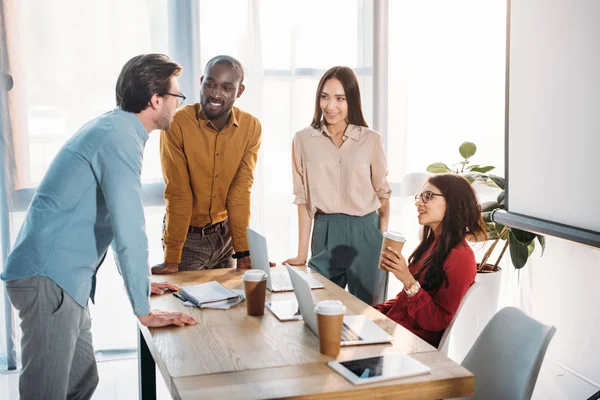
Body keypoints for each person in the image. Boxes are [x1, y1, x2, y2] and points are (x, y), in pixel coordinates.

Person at [1, 54, 197, 400]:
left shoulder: (117, 129)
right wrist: (143, 311)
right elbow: (129, 228)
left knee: (81, 381)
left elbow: (117, 224)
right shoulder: (120, 138)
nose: (178, 106)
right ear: (156, 100)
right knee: (46, 393)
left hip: (63, 280)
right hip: (50, 278)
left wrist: (141, 285)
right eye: (177, 98)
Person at [284, 66, 392, 306]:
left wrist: (381, 237)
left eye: (340, 98)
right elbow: (302, 199)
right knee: (316, 309)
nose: (330, 106)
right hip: (324, 232)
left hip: (366, 232)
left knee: (369, 316)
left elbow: (383, 194)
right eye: (324, 97)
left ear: (351, 100)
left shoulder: (371, 139)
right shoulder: (303, 139)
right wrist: (302, 253)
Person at [151, 55, 262, 275]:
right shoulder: (177, 124)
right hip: (188, 240)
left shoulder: (251, 127)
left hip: (226, 236)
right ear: (201, 81)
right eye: (209, 84)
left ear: (239, 92)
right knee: (189, 307)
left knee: (229, 304)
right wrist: (172, 257)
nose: (215, 94)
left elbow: (240, 192)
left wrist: (243, 252)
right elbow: (178, 192)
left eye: (227, 88)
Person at [375, 173, 487, 347]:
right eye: (420, 196)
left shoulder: (461, 257)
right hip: (392, 333)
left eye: (428, 197)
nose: (418, 202)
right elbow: (402, 303)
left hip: (410, 347)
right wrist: (371, 313)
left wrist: (407, 279)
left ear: (452, 203)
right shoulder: (431, 244)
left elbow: (437, 322)